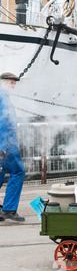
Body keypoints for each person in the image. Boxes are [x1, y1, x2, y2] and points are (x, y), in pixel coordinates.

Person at [0, 72, 26, 222]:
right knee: (18, 171)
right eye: (11, 83)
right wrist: (2, 147)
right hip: (7, 141)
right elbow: (2, 122)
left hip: (4, 140)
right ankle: (9, 208)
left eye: (14, 83)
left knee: (1, 173)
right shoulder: (2, 97)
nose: (14, 85)